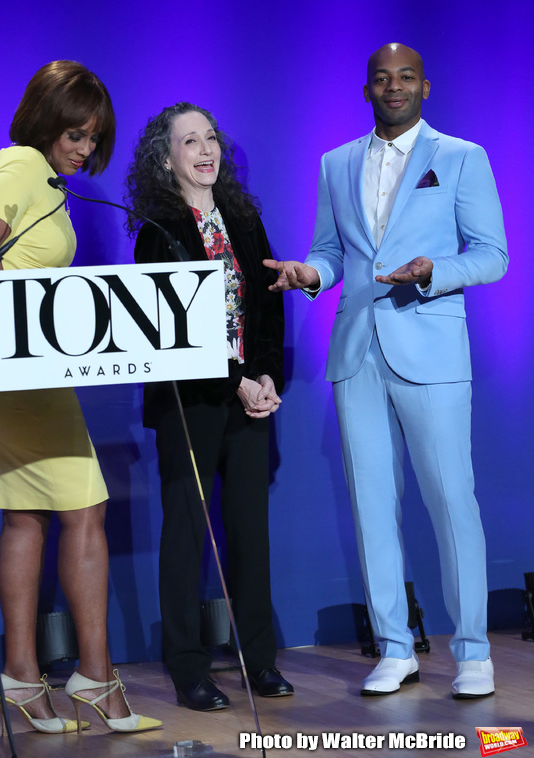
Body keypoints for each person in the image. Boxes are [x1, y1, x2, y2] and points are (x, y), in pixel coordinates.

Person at [264, 43, 508, 699]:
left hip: (430, 346)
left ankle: (473, 652)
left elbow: (492, 256)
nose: (393, 87)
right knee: (373, 507)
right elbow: (329, 251)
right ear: (366, 89)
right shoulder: (336, 163)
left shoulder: (461, 157)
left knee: (452, 501)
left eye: (405, 78)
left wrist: (436, 271)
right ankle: (395, 647)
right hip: (356, 349)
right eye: (381, 78)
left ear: (426, 87)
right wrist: (309, 274)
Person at [0, 61, 162, 735]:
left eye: (94, 137)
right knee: (85, 505)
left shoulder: (41, 177)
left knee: (27, 514)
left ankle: (23, 680)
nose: (85, 147)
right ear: (44, 119)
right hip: (2, 359)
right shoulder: (22, 164)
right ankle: (95, 680)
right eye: (75, 131)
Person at [124, 102, 293, 711]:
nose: (204, 149)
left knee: (250, 532)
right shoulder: (157, 230)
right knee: (187, 537)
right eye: (188, 141)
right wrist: (237, 381)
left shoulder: (244, 218)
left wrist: (266, 375)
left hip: (251, 400)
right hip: (190, 402)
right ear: (165, 160)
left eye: (211, 137)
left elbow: (270, 305)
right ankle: (188, 667)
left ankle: (259, 660)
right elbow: (174, 332)